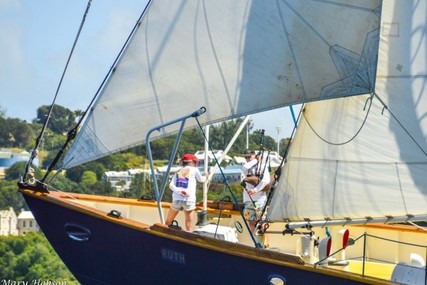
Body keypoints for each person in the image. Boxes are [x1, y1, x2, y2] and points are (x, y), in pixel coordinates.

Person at [165, 153, 208, 231]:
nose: (195, 164)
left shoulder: (178, 171)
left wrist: (180, 191)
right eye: (195, 162)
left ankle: (165, 234)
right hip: (189, 199)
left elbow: (171, 185)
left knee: (168, 222)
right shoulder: (194, 170)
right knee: (189, 225)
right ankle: (189, 239)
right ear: (190, 162)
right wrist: (206, 176)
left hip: (177, 199)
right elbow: (201, 180)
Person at [241, 148, 270, 246]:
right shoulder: (246, 167)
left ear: (254, 155)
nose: (247, 159)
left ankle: (265, 244)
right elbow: (245, 167)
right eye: (246, 157)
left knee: (262, 223)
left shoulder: (262, 166)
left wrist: (255, 190)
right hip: (248, 199)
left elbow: (266, 180)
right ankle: (257, 243)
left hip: (260, 200)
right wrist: (255, 160)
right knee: (250, 221)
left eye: (249, 157)